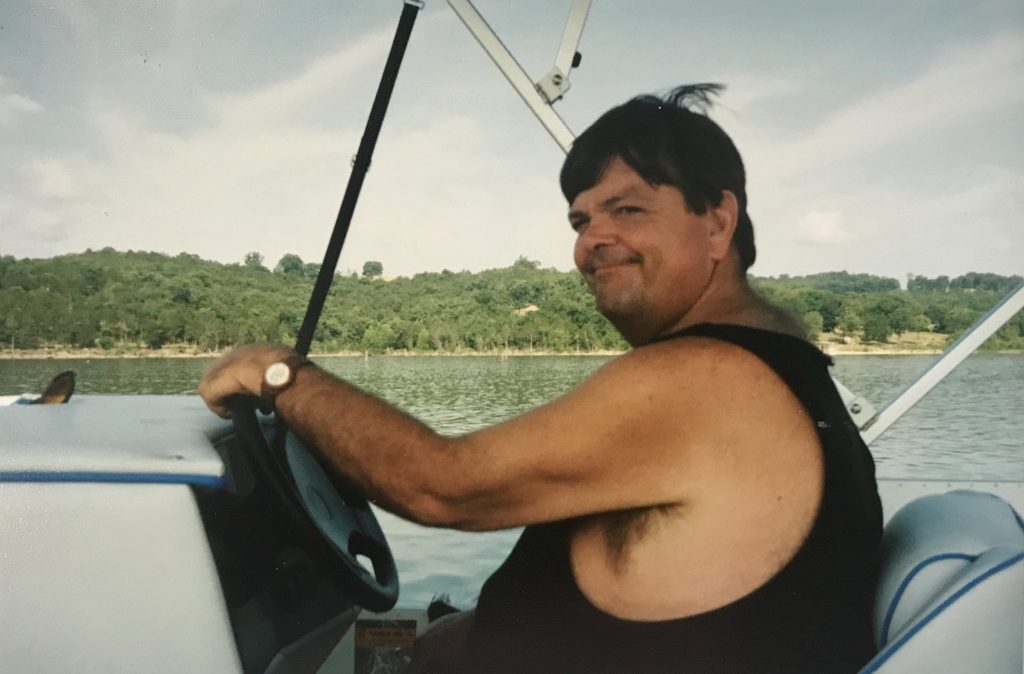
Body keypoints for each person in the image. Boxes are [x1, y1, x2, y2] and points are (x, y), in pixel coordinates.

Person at [199, 84, 882, 673]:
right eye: (581, 220)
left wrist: (280, 375)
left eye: (629, 209)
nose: (592, 242)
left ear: (718, 221)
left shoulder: (708, 377)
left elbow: (441, 485)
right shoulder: (780, 360)